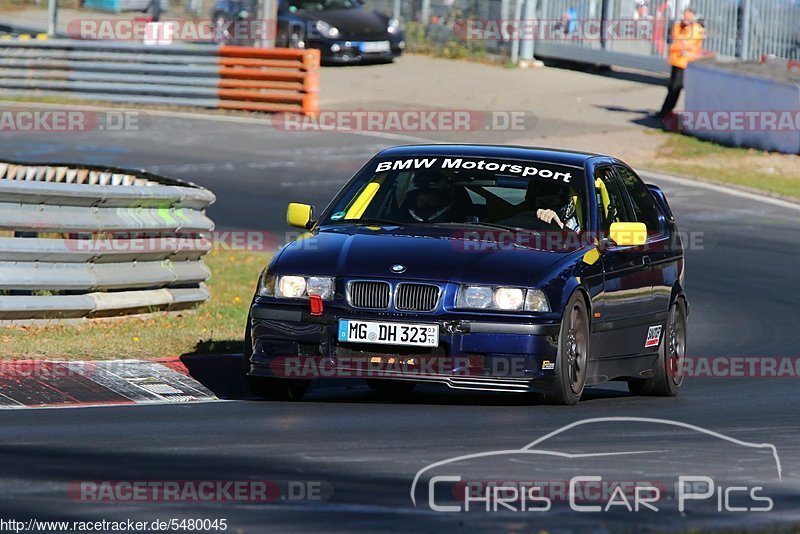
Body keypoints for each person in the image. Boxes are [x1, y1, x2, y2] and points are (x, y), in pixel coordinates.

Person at [655, 8, 705, 119]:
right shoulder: (679, 26)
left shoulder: (696, 29)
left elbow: (685, 44)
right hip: (676, 61)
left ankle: (666, 112)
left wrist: (679, 45)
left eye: (688, 17)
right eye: (684, 16)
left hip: (686, 62)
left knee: (676, 88)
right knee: (672, 87)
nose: (685, 19)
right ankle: (665, 111)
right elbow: (677, 41)